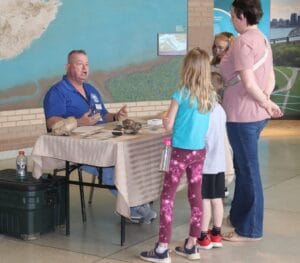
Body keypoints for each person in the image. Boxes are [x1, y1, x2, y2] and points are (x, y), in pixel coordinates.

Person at [43, 49, 157, 224]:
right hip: (78, 150)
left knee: (132, 158)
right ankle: (134, 208)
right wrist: (79, 122)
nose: (85, 68)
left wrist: (116, 116)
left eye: (87, 64)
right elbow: (52, 122)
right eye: (79, 64)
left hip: (102, 140)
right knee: (112, 165)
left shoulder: (91, 89)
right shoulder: (58, 91)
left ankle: (138, 201)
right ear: (68, 66)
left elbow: (103, 115)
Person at [140, 47, 218, 262]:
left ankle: (162, 248)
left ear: (187, 69)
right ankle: (192, 244)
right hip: (199, 152)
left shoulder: (181, 93)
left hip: (180, 153)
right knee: (196, 196)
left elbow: (169, 124)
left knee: (167, 198)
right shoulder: (210, 96)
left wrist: (165, 121)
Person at [219, 0, 283, 242]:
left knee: (248, 171)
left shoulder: (244, 41)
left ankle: (250, 228)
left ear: (242, 16)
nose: (232, 19)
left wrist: (266, 102)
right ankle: (237, 216)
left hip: (243, 116)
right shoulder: (262, 39)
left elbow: (247, 82)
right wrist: (265, 99)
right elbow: (271, 76)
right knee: (243, 168)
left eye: (234, 15)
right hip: (253, 115)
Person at [197, 72, 227, 250]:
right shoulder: (221, 110)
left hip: (205, 165)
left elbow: (202, 137)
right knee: (217, 199)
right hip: (219, 164)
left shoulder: (204, 110)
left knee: (204, 200)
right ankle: (216, 234)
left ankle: (203, 236)